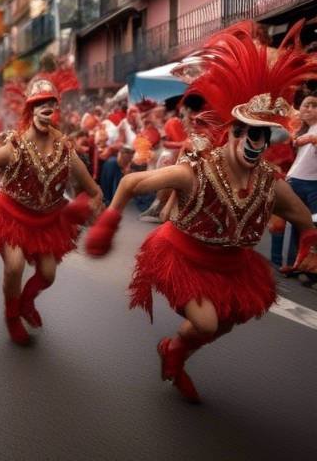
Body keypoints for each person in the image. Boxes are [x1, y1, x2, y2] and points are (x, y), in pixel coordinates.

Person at [85, 21, 317, 403]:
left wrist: (309, 242)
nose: (251, 141)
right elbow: (129, 183)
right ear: (229, 131)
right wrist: (107, 224)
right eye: (243, 131)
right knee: (205, 321)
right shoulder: (195, 171)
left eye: (260, 134)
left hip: (233, 265)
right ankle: (173, 351)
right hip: (184, 257)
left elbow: (300, 215)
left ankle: (178, 353)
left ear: (267, 138)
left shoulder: (270, 182)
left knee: (229, 319)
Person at [0, 76, 102, 345]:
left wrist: (91, 210)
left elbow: (93, 190)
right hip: (11, 216)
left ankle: (26, 303)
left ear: (56, 109)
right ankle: (11, 316)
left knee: (48, 275)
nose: (45, 109)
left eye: (50, 104)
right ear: (30, 110)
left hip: (48, 220)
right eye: (39, 103)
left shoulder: (65, 150)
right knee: (15, 266)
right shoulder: (15, 147)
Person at [284, 93, 317, 270]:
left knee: (311, 226)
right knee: (297, 224)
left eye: (314, 105)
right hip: (295, 180)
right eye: (306, 105)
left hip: (313, 185)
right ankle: (293, 264)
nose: (309, 109)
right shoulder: (303, 129)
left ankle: (308, 266)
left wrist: (312, 139)